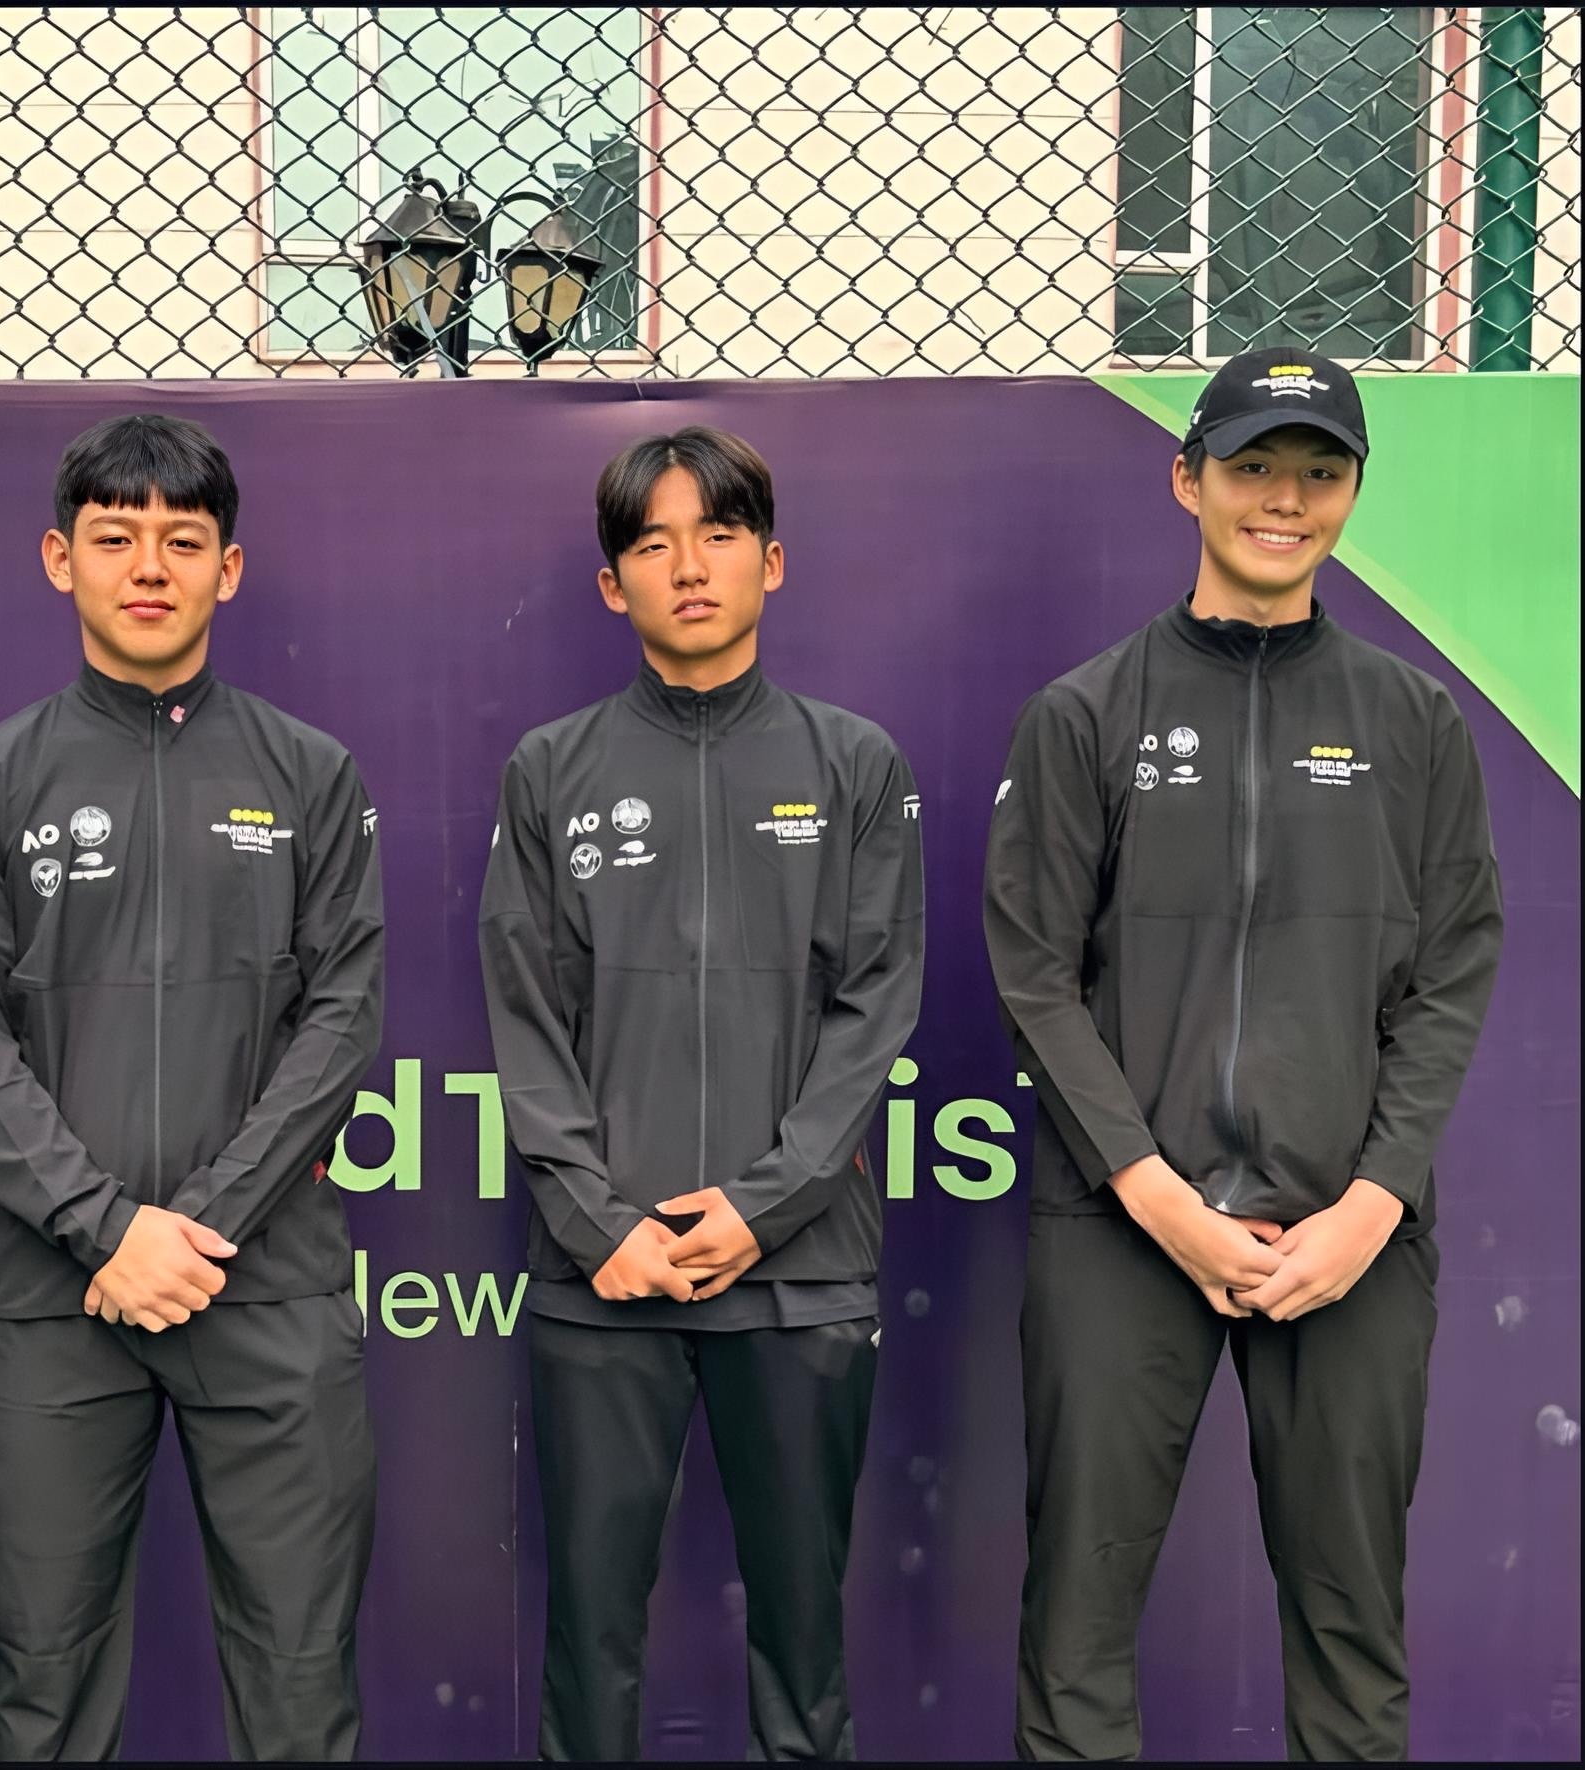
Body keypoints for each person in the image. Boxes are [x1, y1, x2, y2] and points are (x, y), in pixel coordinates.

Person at [985, 350, 1505, 1760]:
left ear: (1350, 495)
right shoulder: (1087, 712)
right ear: (1188, 480)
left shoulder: (1414, 721)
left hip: (1348, 1238)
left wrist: (1371, 1204)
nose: (1285, 498)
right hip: (1120, 1227)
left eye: (1319, 472)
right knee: (1076, 1624)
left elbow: (1453, 971)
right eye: (1255, 466)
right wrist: (1155, 1195)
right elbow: (1034, 973)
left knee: (1351, 1628)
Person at [0, 413, 385, 1761]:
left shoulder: (311, 775)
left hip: (269, 1288)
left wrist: (200, 1225)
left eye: (183, 540)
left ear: (230, 568)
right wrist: (106, 1229)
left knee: (300, 1679)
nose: (150, 567)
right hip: (57, 1294)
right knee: (48, 1685)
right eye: (115, 539)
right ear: (59, 559)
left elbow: (342, 1019)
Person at [479, 425, 925, 1759]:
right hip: (602, 1278)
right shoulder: (549, 770)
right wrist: (597, 1221)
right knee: (589, 1645)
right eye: (653, 543)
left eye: (719, 535)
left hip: (798, 1277)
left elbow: (874, 1007)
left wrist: (760, 1205)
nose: (688, 567)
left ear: (770, 562)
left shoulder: (854, 764)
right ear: (611, 582)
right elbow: (524, 1015)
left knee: (803, 1648)